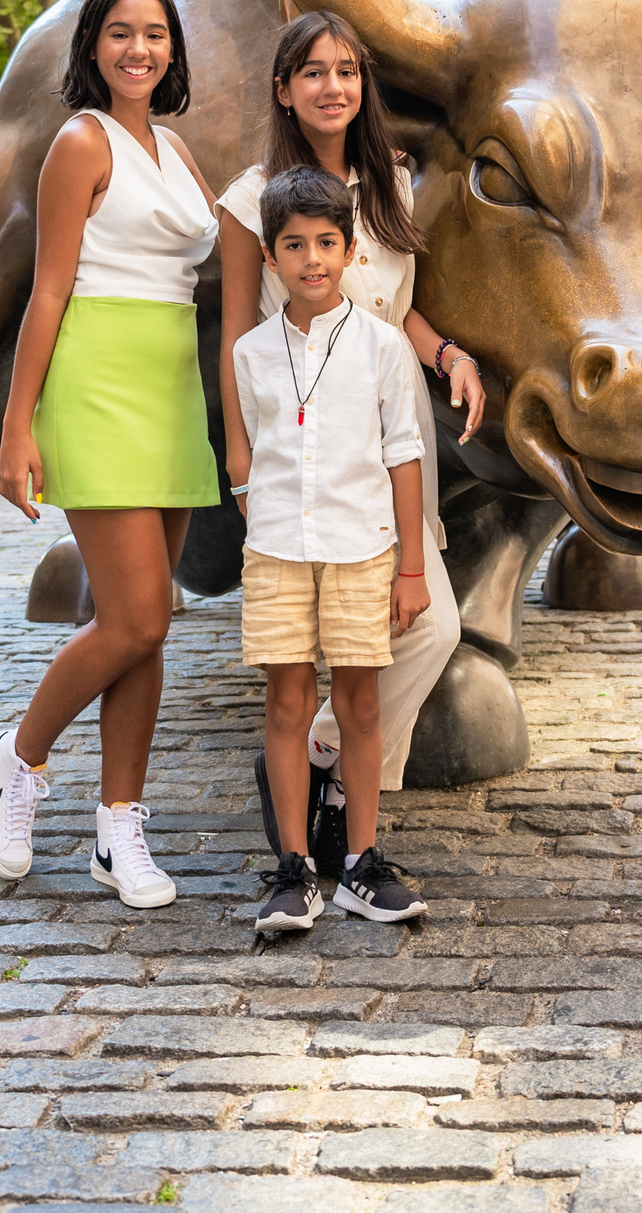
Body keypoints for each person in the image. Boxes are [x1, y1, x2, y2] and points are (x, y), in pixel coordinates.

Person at [215, 11, 486, 877]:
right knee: (313, 649)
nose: (333, 86)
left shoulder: (390, 183)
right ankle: (317, 800)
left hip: (391, 427)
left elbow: (394, 304)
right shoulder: (249, 194)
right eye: (312, 72)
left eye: (347, 71)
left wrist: (446, 351)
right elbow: (232, 333)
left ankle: (321, 760)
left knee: (429, 621)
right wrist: (238, 451)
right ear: (283, 89)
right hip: (299, 441)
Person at [0, 0, 219, 909]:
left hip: (169, 390)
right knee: (134, 619)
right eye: (121, 32)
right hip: (95, 383)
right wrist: (17, 426)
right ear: (93, 46)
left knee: (147, 629)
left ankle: (121, 828)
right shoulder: (80, 141)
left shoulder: (176, 148)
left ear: (172, 49)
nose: (139, 49)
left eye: (155, 33)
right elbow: (45, 292)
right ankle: (18, 757)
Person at [232, 166, 434, 930]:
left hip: (361, 548)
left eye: (326, 242)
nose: (311, 258)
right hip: (280, 549)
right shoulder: (252, 353)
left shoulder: (383, 346)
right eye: (294, 245)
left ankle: (359, 862)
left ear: (350, 251)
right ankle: (292, 868)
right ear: (269, 255)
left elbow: (404, 453)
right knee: (285, 701)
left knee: (357, 704)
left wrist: (411, 566)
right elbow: (257, 451)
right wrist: (257, 516)